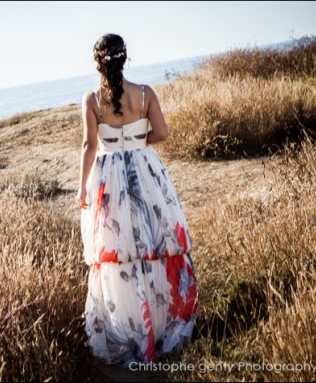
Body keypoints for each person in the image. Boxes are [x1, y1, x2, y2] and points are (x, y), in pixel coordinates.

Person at [77, 33, 198, 368]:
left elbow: (89, 146)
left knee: (119, 249)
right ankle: (163, 324)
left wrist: (81, 188)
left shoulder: (91, 99)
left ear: (98, 61)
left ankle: (131, 328)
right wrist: (138, 142)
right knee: (155, 243)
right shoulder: (145, 93)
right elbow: (163, 133)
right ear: (124, 58)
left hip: (109, 177)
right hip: (145, 171)